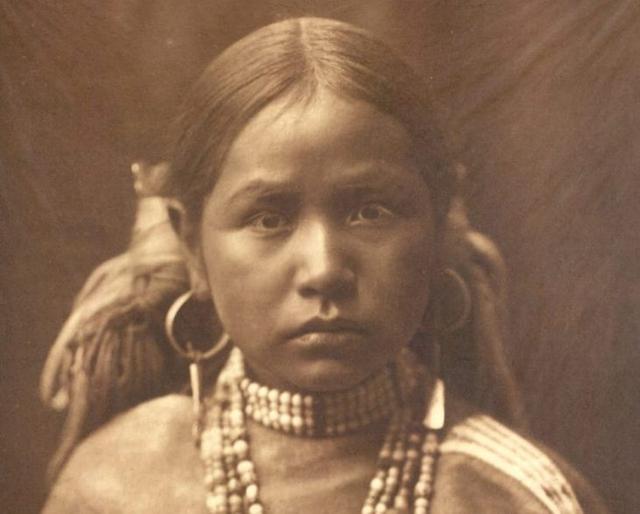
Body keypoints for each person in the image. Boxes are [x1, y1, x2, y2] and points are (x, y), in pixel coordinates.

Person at [40, 17, 609, 514]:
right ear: (192, 245)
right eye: (268, 219)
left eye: (370, 212)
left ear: (437, 231)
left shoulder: (515, 494)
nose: (324, 270)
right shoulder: (113, 486)